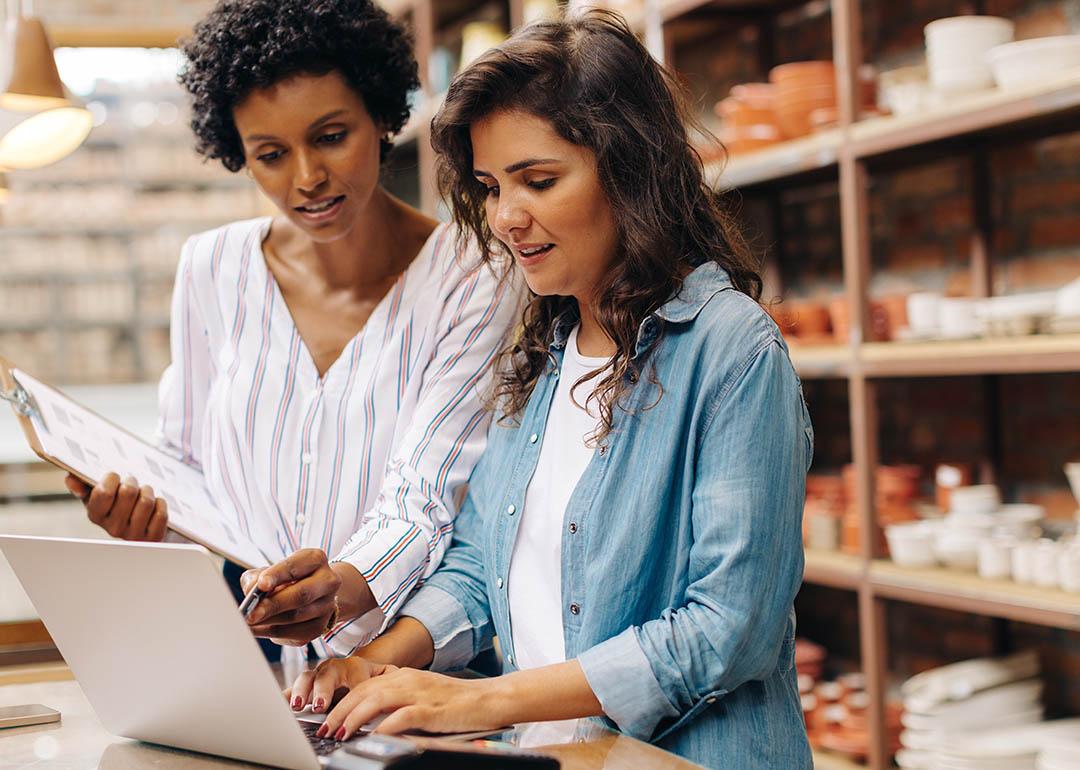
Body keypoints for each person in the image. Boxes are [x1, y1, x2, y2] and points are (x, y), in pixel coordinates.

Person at [288, 10, 814, 770]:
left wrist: (482, 699)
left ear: (629, 170)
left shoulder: (732, 352)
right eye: (490, 186)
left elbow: (726, 629)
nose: (506, 217)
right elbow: (479, 567)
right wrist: (382, 662)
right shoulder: (543, 349)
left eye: (538, 180)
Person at [63, 0, 519, 664]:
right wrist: (145, 517)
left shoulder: (473, 274)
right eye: (271, 154)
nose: (307, 178)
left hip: (408, 666)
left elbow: (430, 493)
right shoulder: (212, 269)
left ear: (381, 115)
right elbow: (187, 470)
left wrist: (339, 589)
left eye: (331, 136)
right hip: (243, 659)